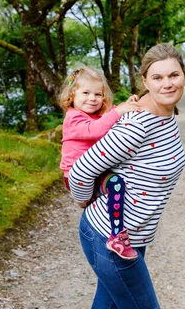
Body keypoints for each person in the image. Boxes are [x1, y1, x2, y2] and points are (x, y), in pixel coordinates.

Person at [69, 43, 185, 309]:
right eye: (157, 77)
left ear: (184, 76)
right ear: (145, 81)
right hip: (108, 238)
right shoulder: (138, 125)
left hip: (133, 237)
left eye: (173, 75)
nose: (167, 84)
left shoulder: (165, 115)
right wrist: (84, 200)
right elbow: (80, 171)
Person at [59, 66, 140, 259]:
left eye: (98, 94)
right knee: (115, 183)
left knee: (121, 182)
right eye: (86, 93)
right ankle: (117, 237)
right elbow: (94, 130)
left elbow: (112, 115)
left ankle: (105, 216)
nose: (92, 98)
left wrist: (127, 105)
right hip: (76, 175)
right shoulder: (73, 118)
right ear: (72, 95)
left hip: (95, 172)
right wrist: (118, 111)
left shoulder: (96, 114)